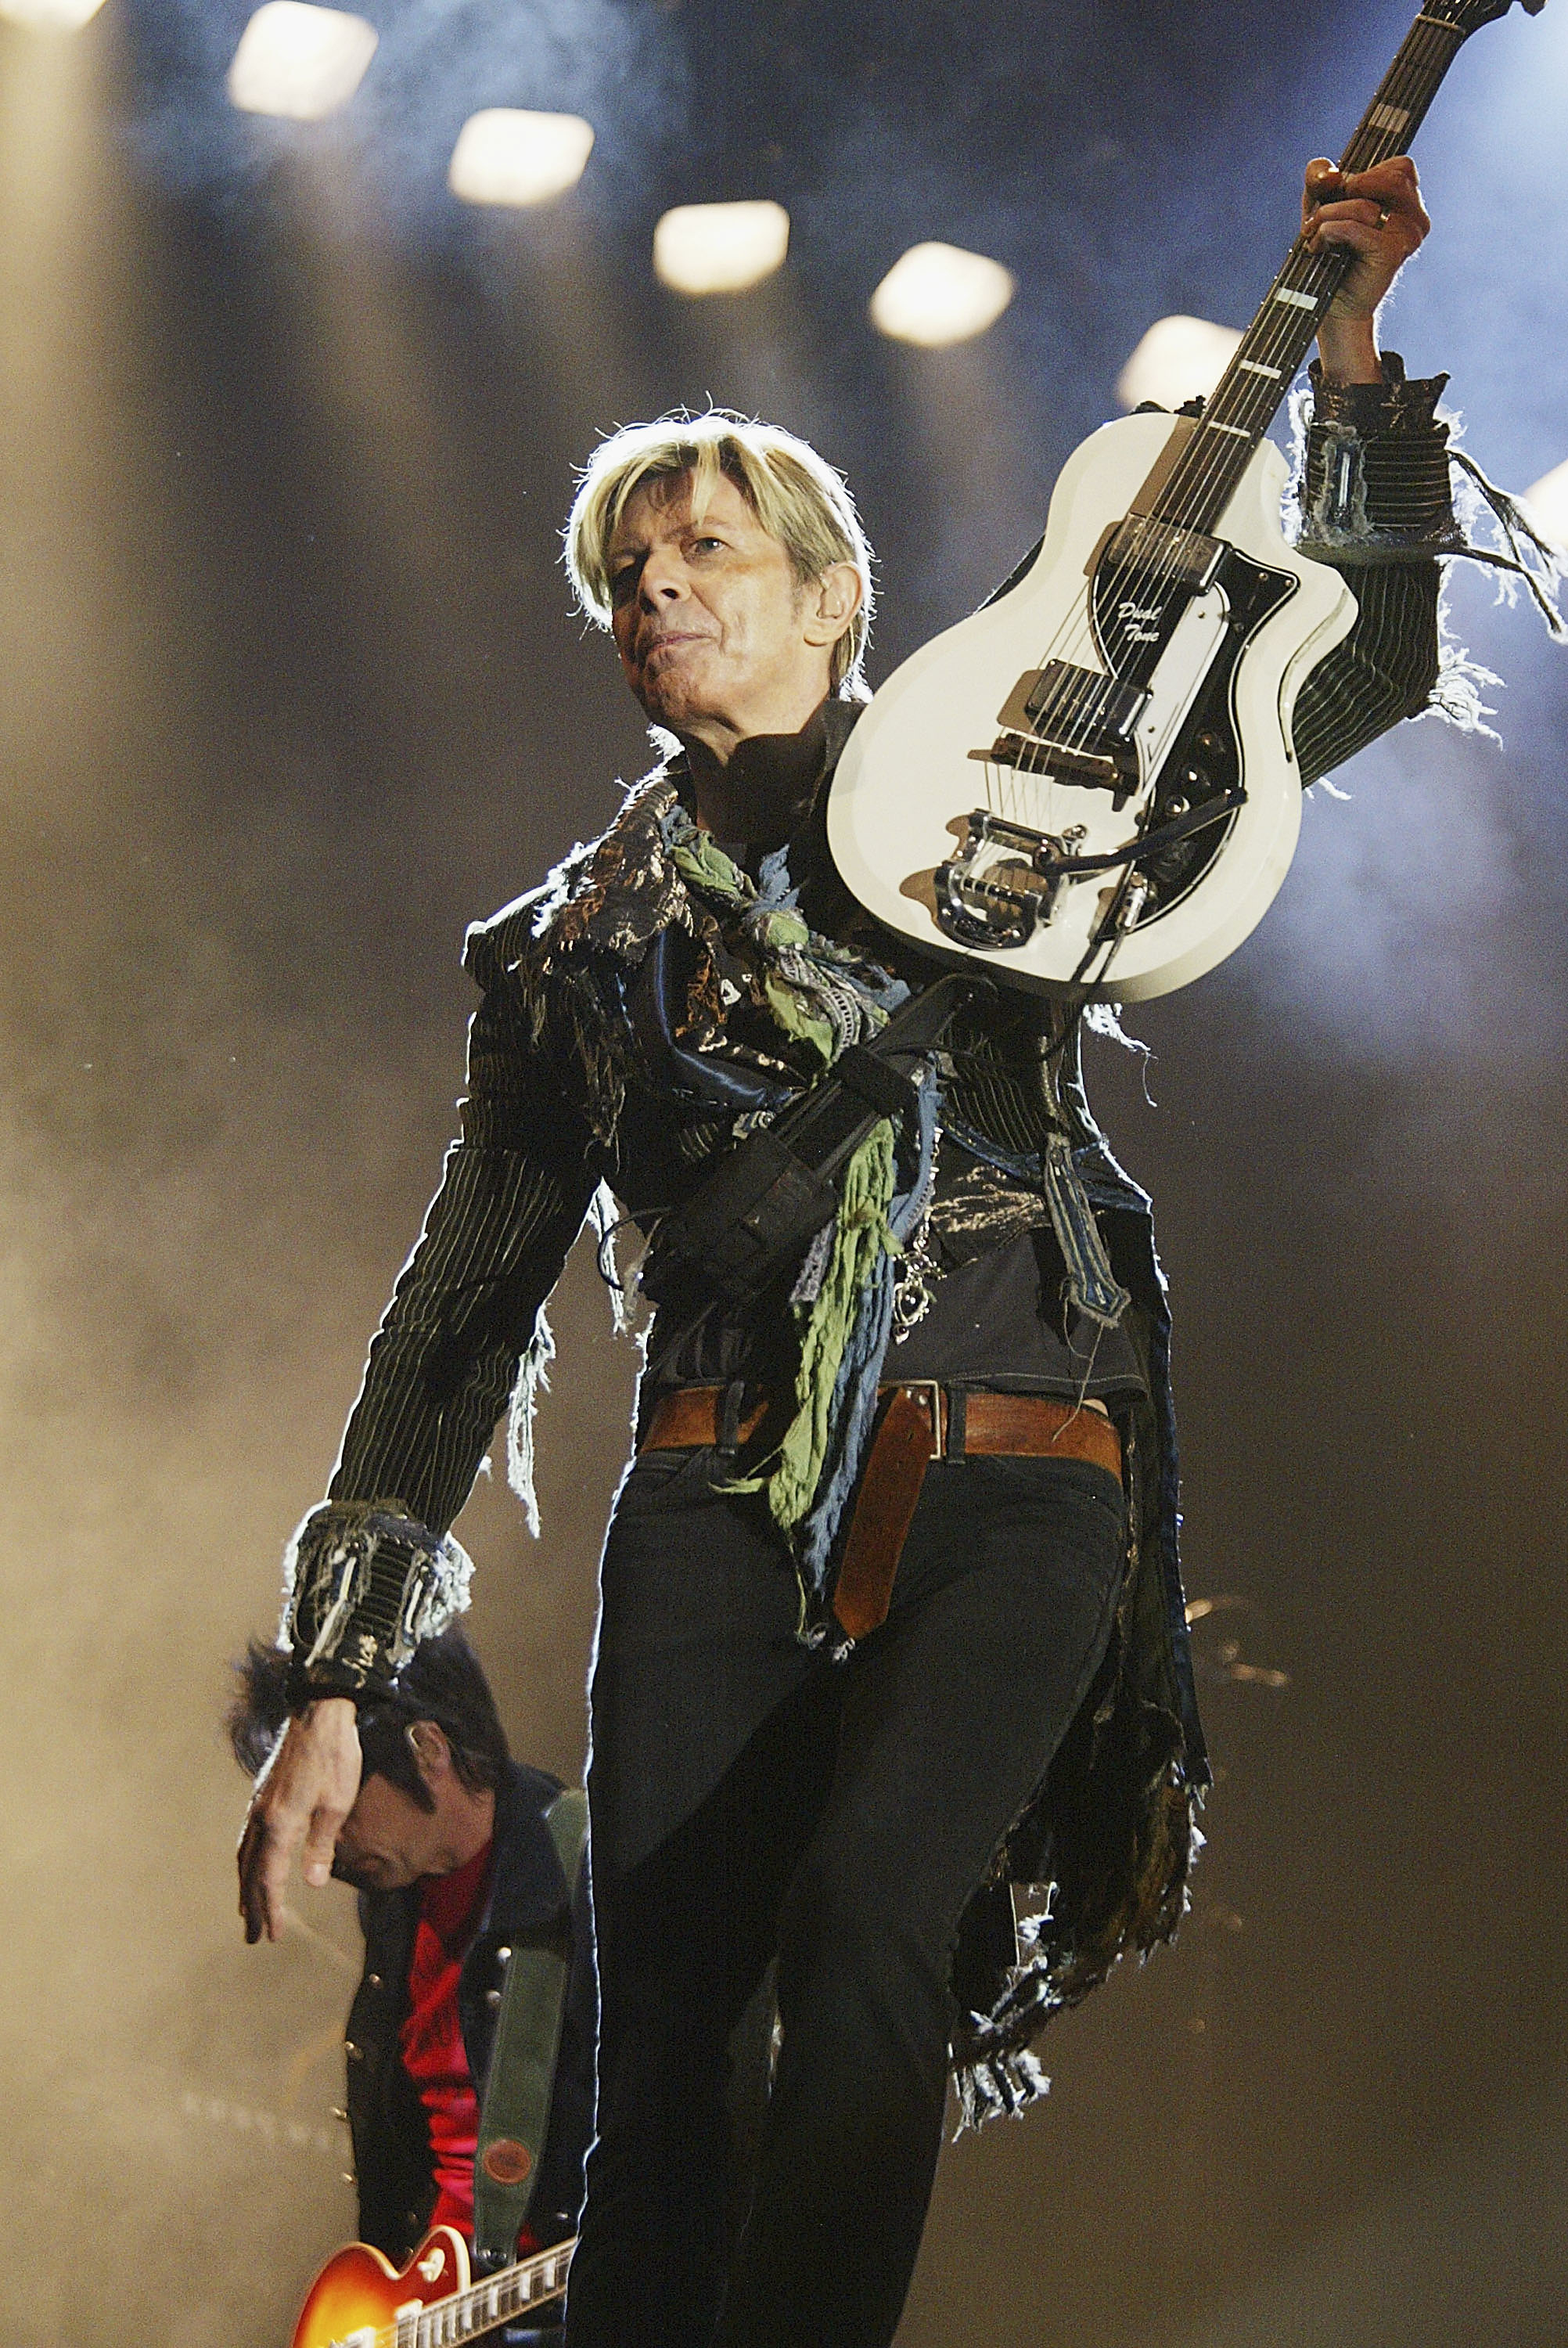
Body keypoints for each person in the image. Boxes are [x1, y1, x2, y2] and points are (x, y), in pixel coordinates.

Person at [236, 160, 1492, 2346]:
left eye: (704, 549)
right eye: (623, 570)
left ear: (837, 602)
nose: (654, 590)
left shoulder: (997, 793)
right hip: (716, 1490)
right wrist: (339, 1675)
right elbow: (462, 1304)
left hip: (1027, 1459)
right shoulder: (566, 962)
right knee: (674, 2050)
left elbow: (1355, 659)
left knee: (864, 1919)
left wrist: (1357, 338)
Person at [232, 1627, 594, 2336]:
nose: (320, 1845)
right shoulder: (394, 1900)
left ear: (428, 1751)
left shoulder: (587, 1876)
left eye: (330, 1801)